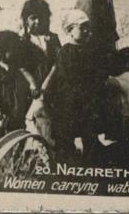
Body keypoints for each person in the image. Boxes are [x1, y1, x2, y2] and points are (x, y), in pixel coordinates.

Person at [43, 9, 108, 163]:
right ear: (70, 30)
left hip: (88, 99)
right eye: (81, 28)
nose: (86, 31)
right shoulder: (66, 52)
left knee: (90, 132)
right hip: (70, 100)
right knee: (66, 133)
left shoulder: (89, 51)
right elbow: (66, 77)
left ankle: (90, 159)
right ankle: (66, 161)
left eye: (88, 28)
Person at [18, 0, 61, 144]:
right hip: (29, 87)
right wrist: (32, 82)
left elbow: (57, 62)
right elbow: (20, 64)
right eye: (33, 18)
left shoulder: (53, 38)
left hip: (50, 85)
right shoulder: (22, 40)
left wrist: (46, 83)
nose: (37, 21)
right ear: (25, 20)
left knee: (50, 121)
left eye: (41, 17)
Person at [100, 47, 129, 164]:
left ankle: (118, 158)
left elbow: (109, 83)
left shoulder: (123, 78)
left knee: (126, 142)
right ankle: (126, 159)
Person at [0, 31, 35, 135]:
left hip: (17, 116)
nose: (17, 52)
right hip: (3, 118)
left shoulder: (17, 70)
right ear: (0, 51)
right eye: (13, 49)